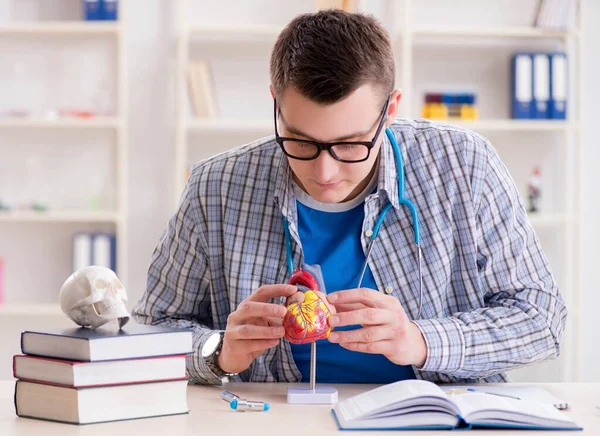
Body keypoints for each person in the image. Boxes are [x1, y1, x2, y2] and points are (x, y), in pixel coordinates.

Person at [132, 10, 566, 385]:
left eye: (351, 144)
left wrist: (420, 340)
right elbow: (150, 330)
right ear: (275, 104)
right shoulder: (216, 186)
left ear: (390, 110)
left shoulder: (463, 165)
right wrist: (217, 352)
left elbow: (542, 318)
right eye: (300, 141)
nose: (325, 172)